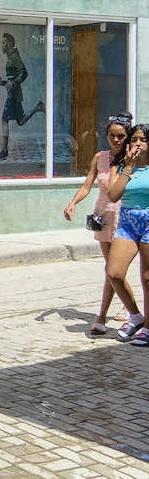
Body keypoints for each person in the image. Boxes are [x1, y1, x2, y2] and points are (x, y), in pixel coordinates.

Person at [64, 113, 135, 334]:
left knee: (114, 269)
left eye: (121, 136)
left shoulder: (133, 159)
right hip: (102, 216)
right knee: (110, 269)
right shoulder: (100, 157)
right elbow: (87, 185)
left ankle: (103, 316)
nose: (116, 140)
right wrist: (73, 202)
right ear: (106, 136)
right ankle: (128, 309)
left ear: (128, 136)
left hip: (125, 215)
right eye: (112, 135)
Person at [104, 123, 149, 343]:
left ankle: (148, 327)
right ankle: (136, 315)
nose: (137, 143)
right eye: (134, 139)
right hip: (128, 221)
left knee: (148, 278)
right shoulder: (121, 164)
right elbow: (113, 195)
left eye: (143, 139)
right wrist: (129, 169)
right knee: (114, 272)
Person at [0, 33, 45, 160]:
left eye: (4, 43)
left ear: (10, 44)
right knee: (21, 120)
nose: (2, 46)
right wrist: (4, 83)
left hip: (14, 95)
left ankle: (4, 150)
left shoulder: (14, 57)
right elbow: (13, 79)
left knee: (4, 120)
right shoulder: (10, 57)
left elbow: (24, 73)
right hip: (14, 94)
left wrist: (13, 83)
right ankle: (38, 108)